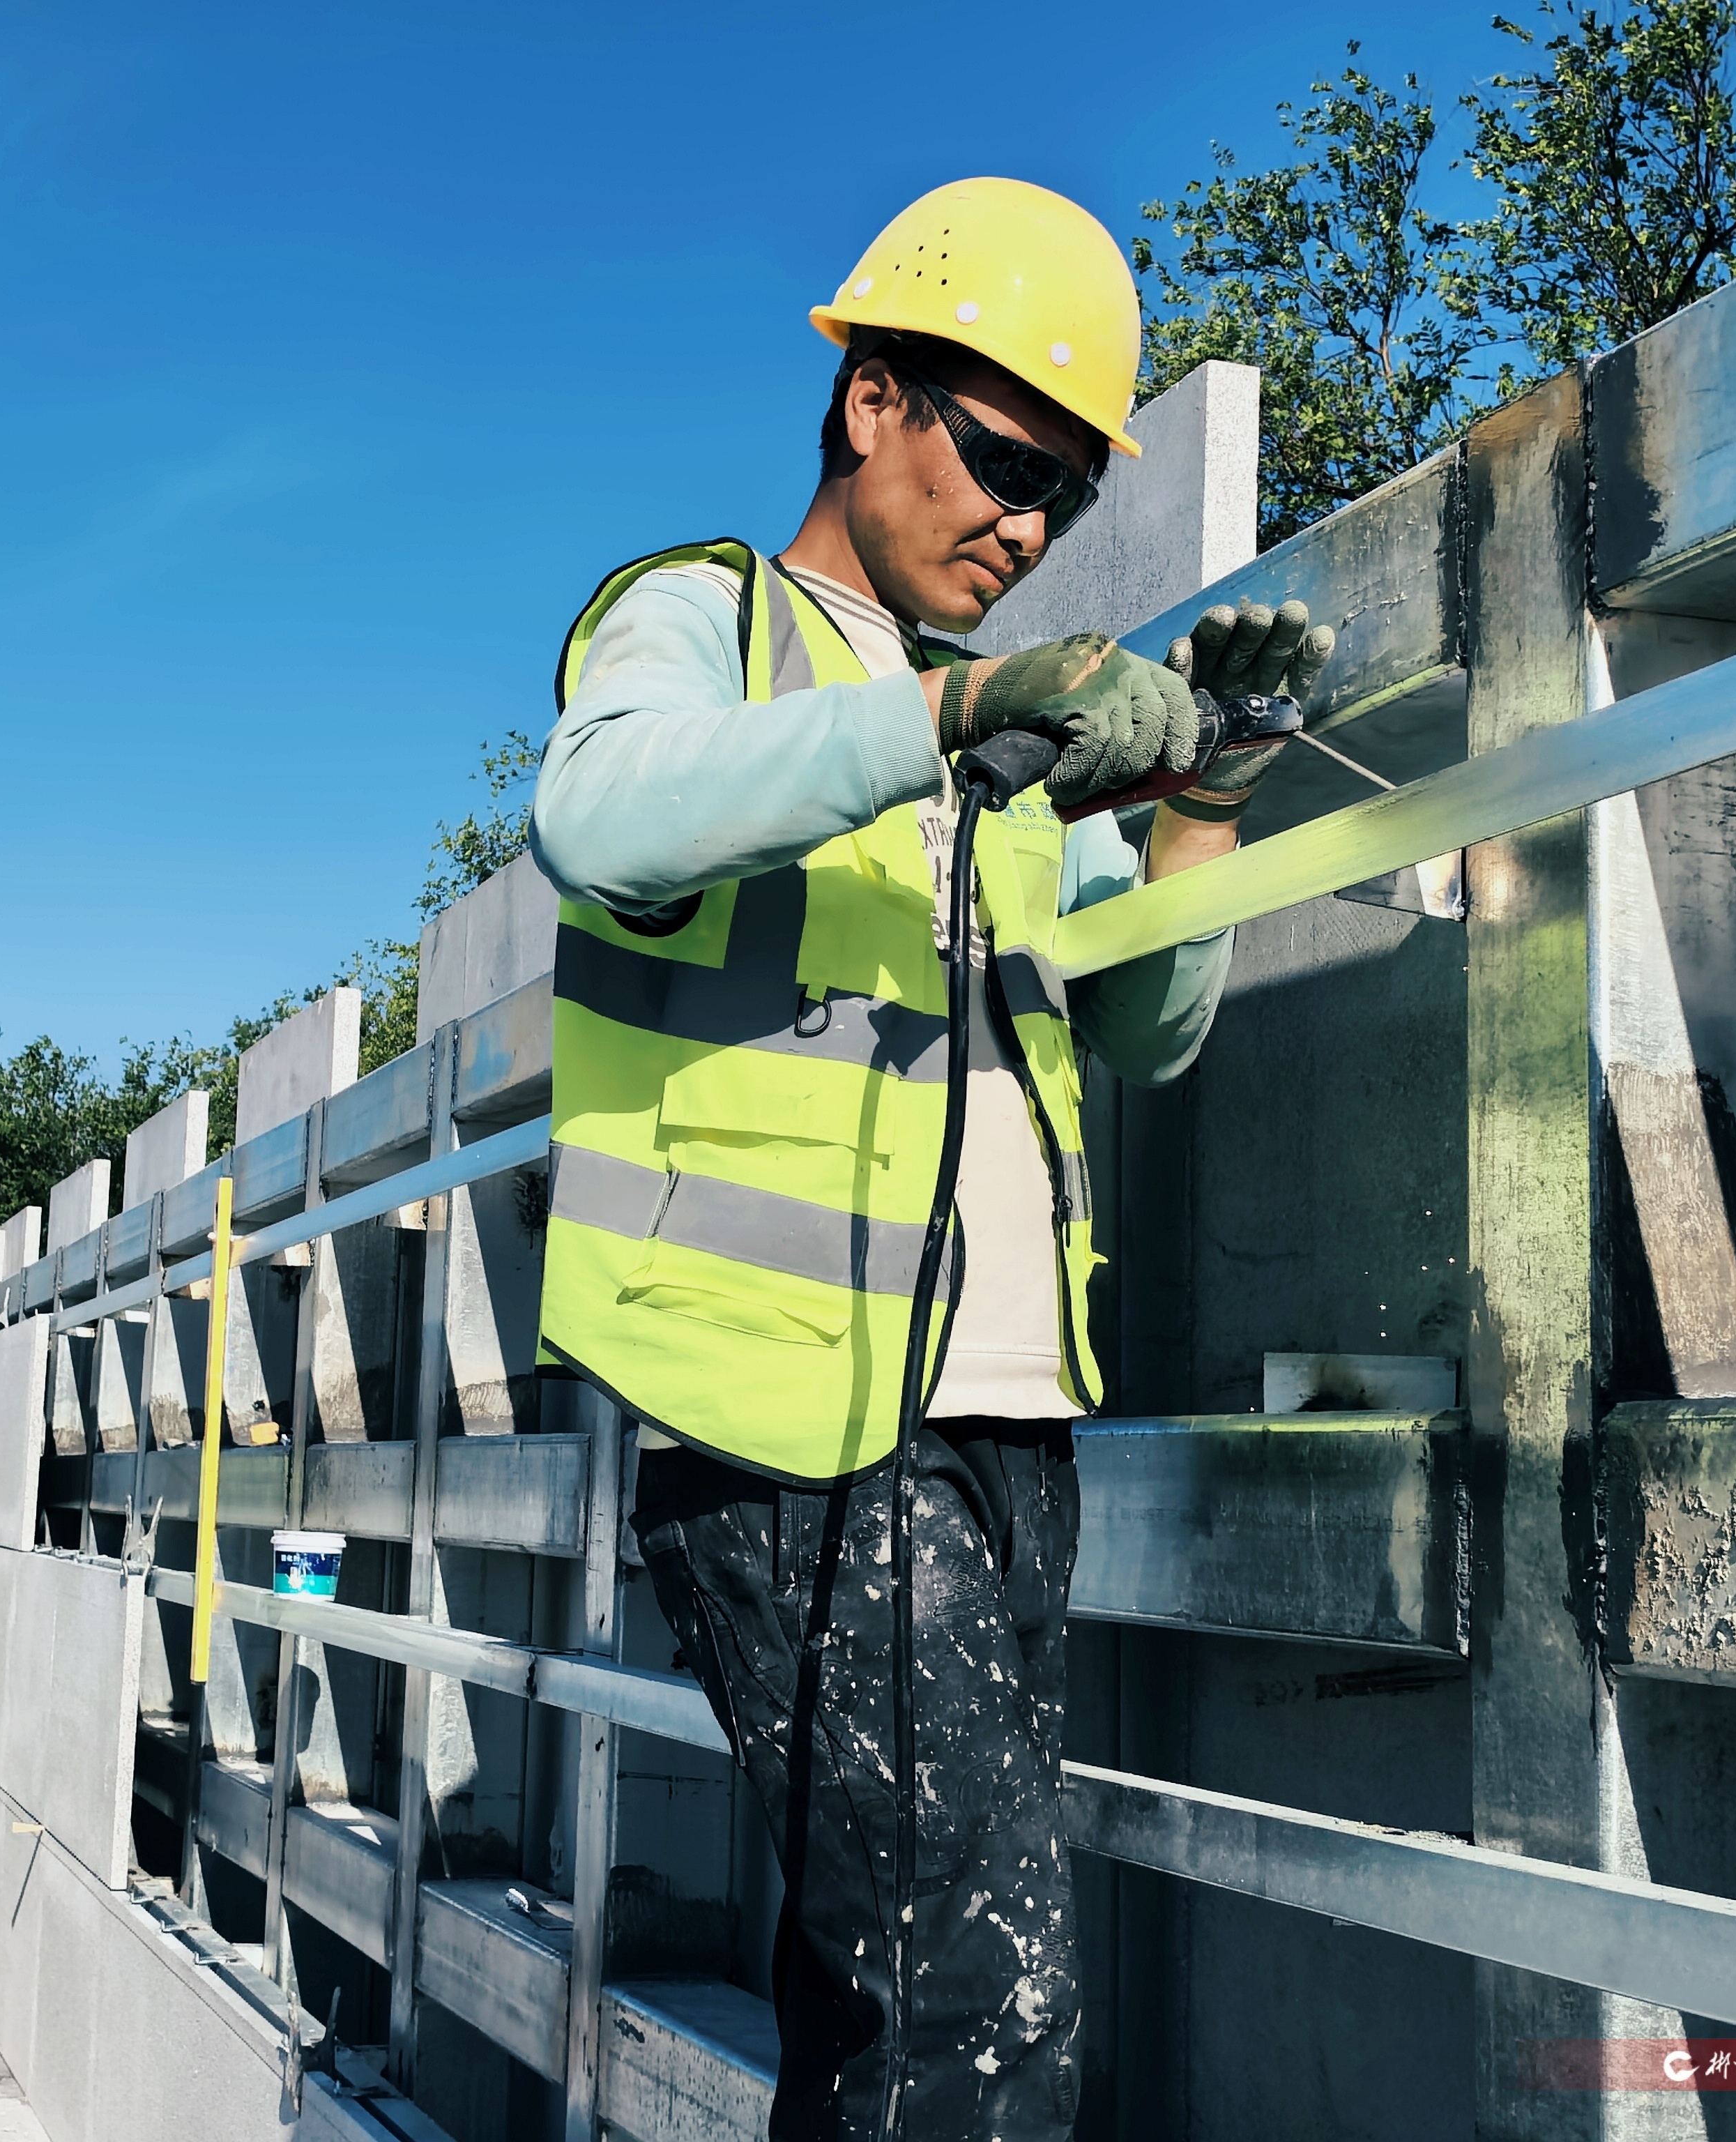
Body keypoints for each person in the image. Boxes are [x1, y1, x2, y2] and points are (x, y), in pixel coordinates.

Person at [528, 177, 1332, 2141]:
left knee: (892, 1994)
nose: (1027, 528)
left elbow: (1145, 1033)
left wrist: (1202, 810)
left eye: (1063, 493)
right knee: (979, 2006)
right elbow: (603, 817)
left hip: (1001, 1431)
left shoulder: (1001, 754)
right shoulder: (714, 622)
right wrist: (957, 709)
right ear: (871, 398)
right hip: (800, 1426)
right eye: (1002, 462)